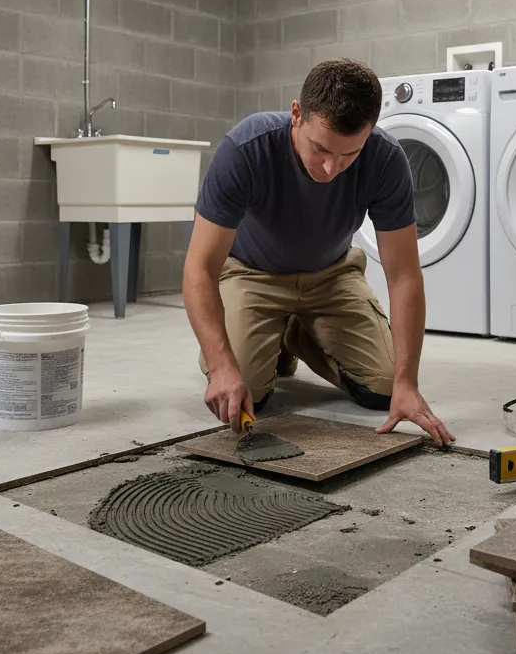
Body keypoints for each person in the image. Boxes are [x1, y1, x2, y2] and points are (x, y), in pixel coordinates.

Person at [182, 57, 454, 449]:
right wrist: (222, 365)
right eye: (321, 148)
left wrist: (407, 384)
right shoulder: (245, 148)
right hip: (251, 274)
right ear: (296, 114)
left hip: (331, 276)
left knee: (383, 389)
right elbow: (200, 268)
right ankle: (258, 338)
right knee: (247, 394)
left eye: (350, 154)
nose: (331, 168)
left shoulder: (386, 159)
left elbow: (404, 275)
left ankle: (293, 332)